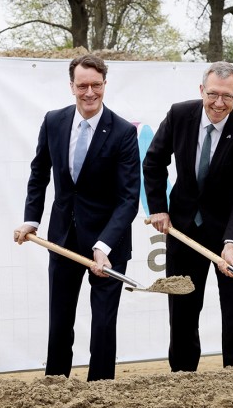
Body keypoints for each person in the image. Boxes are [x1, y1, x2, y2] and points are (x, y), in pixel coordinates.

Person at [13, 54, 140, 382]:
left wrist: (103, 246)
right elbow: (39, 174)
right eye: (82, 86)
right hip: (63, 239)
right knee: (60, 322)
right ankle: (54, 388)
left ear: (105, 85)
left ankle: (100, 391)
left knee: (103, 326)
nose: (89, 93)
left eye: (96, 85)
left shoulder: (123, 132)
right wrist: (32, 219)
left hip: (109, 246)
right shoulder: (53, 121)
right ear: (71, 86)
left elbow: (128, 199)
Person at [142, 61, 233, 372]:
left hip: (232, 233)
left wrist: (231, 243)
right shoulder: (180, 115)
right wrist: (158, 207)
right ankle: (184, 380)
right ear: (201, 90)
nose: (219, 103)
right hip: (185, 230)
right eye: (212, 94)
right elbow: (154, 161)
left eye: (227, 96)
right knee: (182, 311)